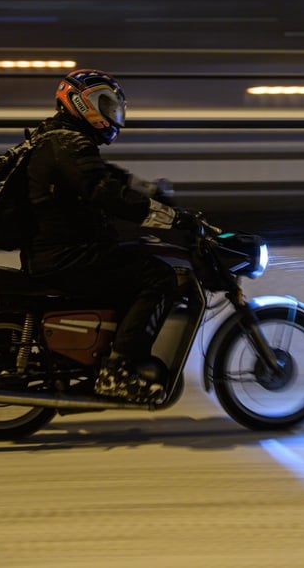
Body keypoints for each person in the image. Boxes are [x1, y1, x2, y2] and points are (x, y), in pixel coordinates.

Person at [22, 68, 189, 402]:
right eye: (106, 105)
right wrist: (166, 216)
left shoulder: (60, 139)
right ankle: (118, 371)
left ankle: (109, 355)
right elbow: (103, 190)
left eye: (114, 107)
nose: (112, 114)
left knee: (131, 260)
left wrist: (149, 189)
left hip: (59, 248)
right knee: (158, 277)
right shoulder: (67, 144)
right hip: (66, 254)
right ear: (82, 103)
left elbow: (105, 177)